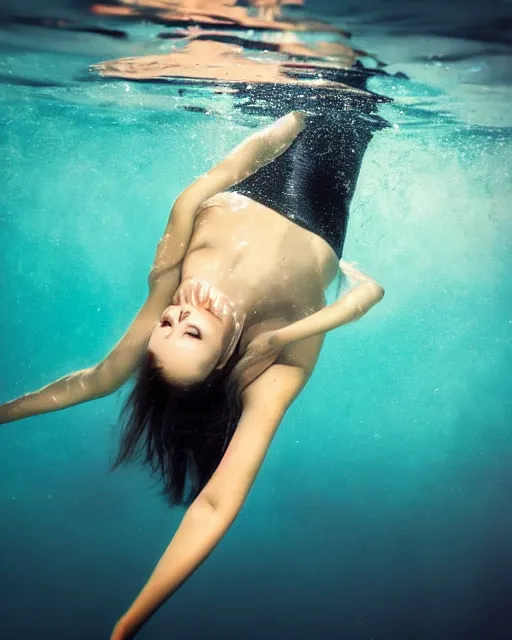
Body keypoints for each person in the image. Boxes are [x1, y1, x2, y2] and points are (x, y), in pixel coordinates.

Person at [0, 111, 384, 639]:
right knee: (346, 85)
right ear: (227, 359)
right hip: (335, 151)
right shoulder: (274, 362)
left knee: (275, 64)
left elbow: (99, 379)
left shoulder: (172, 283)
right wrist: (126, 626)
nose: (183, 311)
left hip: (270, 131)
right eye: (193, 333)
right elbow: (215, 504)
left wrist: (3, 413)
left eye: (167, 323)